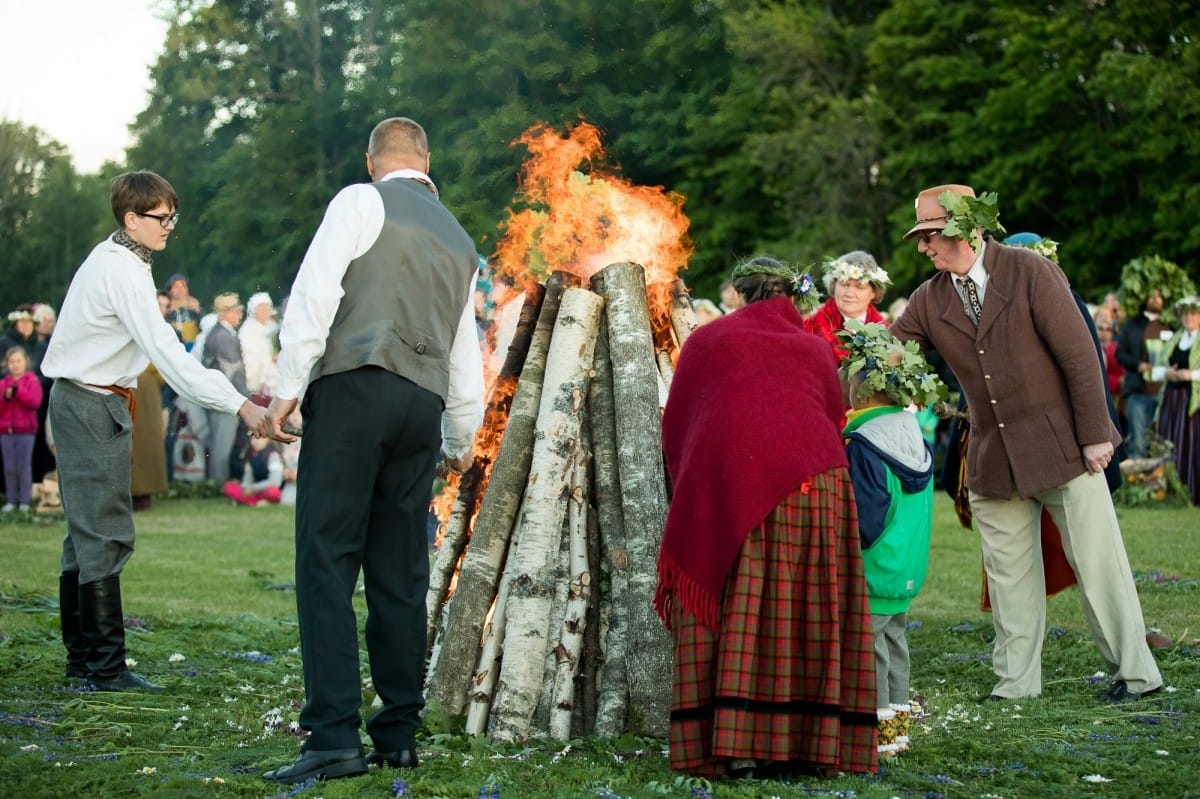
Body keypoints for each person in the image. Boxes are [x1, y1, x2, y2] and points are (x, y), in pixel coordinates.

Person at [261, 117, 485, 784]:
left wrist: (286, 389)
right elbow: (461, 352)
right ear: (426, 161)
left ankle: (333, 734)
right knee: (399, 567)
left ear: (373, 161)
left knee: (327, 557)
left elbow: (315, 295)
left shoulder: (359, 201)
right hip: (422, 404)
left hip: (354, 387)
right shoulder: (461, 240)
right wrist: (459, 439)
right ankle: (397, 731)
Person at [890, 183, 1162, 704]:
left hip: (1065, 448)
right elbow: (891, 352)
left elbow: (1080, 356)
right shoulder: (929, 298)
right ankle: (1016, 685)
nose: (922, 248)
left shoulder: (1030, 270)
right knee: (1008, 577)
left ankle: (1136, 674)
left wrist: (1095, 437)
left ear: (964, 228)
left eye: (928, 236)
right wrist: (851, 359)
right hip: (993, 459)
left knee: (1098, 564)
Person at [40, 170, 268, 692]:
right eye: (161, 218)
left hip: (93, 400)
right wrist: (240, 405)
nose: (170, 226)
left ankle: (84, 662)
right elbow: (167, 354)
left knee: (86, 535)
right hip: (90, 402)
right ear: (131, 219)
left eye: (173, 216)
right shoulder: (120, 270)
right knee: (103, 533)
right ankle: (103, 669)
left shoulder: (123, 259)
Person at [654, 256, 877, 779]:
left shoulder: (707, 342)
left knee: (742, 606)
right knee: (805, 606)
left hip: (737, 480)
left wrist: (697, 477)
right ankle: (807, 745)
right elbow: (832, 414)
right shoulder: (815, 347)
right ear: (791, 294)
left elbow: (679, 424)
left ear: (737, 292)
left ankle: (736, 743)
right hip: (819, 484)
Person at [838, 321, 942, 756]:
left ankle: (875, 734)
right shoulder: (909, 430)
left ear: (862, 391)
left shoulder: (865, 440)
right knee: (895, 641)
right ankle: (898, 725)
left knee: (869, 648)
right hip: (905, 562)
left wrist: (853, 548)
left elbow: (867, 511)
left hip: (875, 562)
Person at [806, 251, 891, 362]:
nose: (850, 293)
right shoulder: (810, 329)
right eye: (844, 284)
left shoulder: (888, 333)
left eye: (859, 286)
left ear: (874, 292)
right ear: (833, 285)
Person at [202, 293, 250, 483]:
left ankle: (218, 483)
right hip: (226, 397)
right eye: (236, 310)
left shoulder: (220, 333)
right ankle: (218, 485)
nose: (240, 314)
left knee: (221, 443)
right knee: (222, 445)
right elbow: (233, 372)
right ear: (225, 313)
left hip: (221, 396)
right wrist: (246, 398)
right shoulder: (223, 336)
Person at [1157, 295, 1200, 505]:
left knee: (1191, 444)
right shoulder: (1175, 339)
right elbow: (1159, 367)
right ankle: (1171, 491)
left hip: (1192, 402)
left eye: (1192, 313)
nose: (1188, 318)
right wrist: (1168, 373)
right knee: (1170, 441)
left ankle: (1192, 490)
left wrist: (1189, 375)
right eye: (1184, 314)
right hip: (1172, 399)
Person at [1116, 290, 1169, 459]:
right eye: (1151, 296)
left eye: (1159, 296)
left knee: (1163, 445)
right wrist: (1138, 365)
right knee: (1138, 444)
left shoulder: (1170, 325)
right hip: (1138, 393)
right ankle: (1137, 484)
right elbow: (1120, 353)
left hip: (1164, 394)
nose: (1155, 300)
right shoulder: (1132, 325)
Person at [1, 346, 44, 512]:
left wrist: (18, 392)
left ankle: (25, 501)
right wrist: (6, 397)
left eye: (18, 361)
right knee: (9, 467)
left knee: (24, 467)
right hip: (6, 431)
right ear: (7, 364)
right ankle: (11, 500)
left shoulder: (32, 381)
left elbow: (34, 402)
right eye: (11, 361)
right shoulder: (3, 384)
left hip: (26, 431)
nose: (15, 365)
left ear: (25, 362)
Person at [239, 291, 279, 404]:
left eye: (267, 307)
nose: (265, 310)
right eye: (261, 307)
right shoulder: (248, 329)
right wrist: (269, 359)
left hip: (275, 375)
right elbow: (248, 354)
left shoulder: (272, 326)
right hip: (258, 378)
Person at [223, 434, 284, 506]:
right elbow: (247, 478)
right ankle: (255, 502)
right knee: (228, 486)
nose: (256, 441)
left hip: (265, 489)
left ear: (268, 439)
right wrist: (246, 488)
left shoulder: (273, 455)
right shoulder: (251, 456)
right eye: (254, 438)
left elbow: (275, 482)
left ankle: (247, 501)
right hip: (254, 492)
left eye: (260, 438)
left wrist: (254, 488)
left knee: (273, 492)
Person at [162, 273, 201, 350]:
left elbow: (207, 328)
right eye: (176, 286)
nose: (180, 289)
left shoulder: (194, 308)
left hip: (193, 350)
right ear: (169, 290)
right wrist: (166, 312)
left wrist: (198, 311)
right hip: (171, 349)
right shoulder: (165, 308)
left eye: (183, 286)